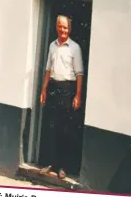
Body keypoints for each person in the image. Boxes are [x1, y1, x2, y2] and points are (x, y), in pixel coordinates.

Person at [39, 14, 84, 179]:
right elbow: (48, 70)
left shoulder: (75, 48)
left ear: (69, 29)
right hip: (53, 88)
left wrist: (77, 95)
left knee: (65, 129)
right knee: (52, 127)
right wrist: (43, 90)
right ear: (56, 27)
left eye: (65, 27)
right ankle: (51, 163)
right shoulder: (52, 46)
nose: (62, 30)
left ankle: (63, 167)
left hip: (68, 89)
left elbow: (79, 74)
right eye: (60, 26)